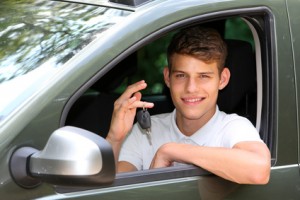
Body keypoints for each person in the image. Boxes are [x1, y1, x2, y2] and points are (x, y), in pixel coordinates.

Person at [106, 26, 271, 184]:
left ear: (222, 79)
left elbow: (260, 170)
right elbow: (114, 190)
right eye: (181, 75)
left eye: (204, 76)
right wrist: (115, 139)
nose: (191, 88)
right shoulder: (147, 130)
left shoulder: (233, 127)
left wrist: (171, 151)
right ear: (167, 77)